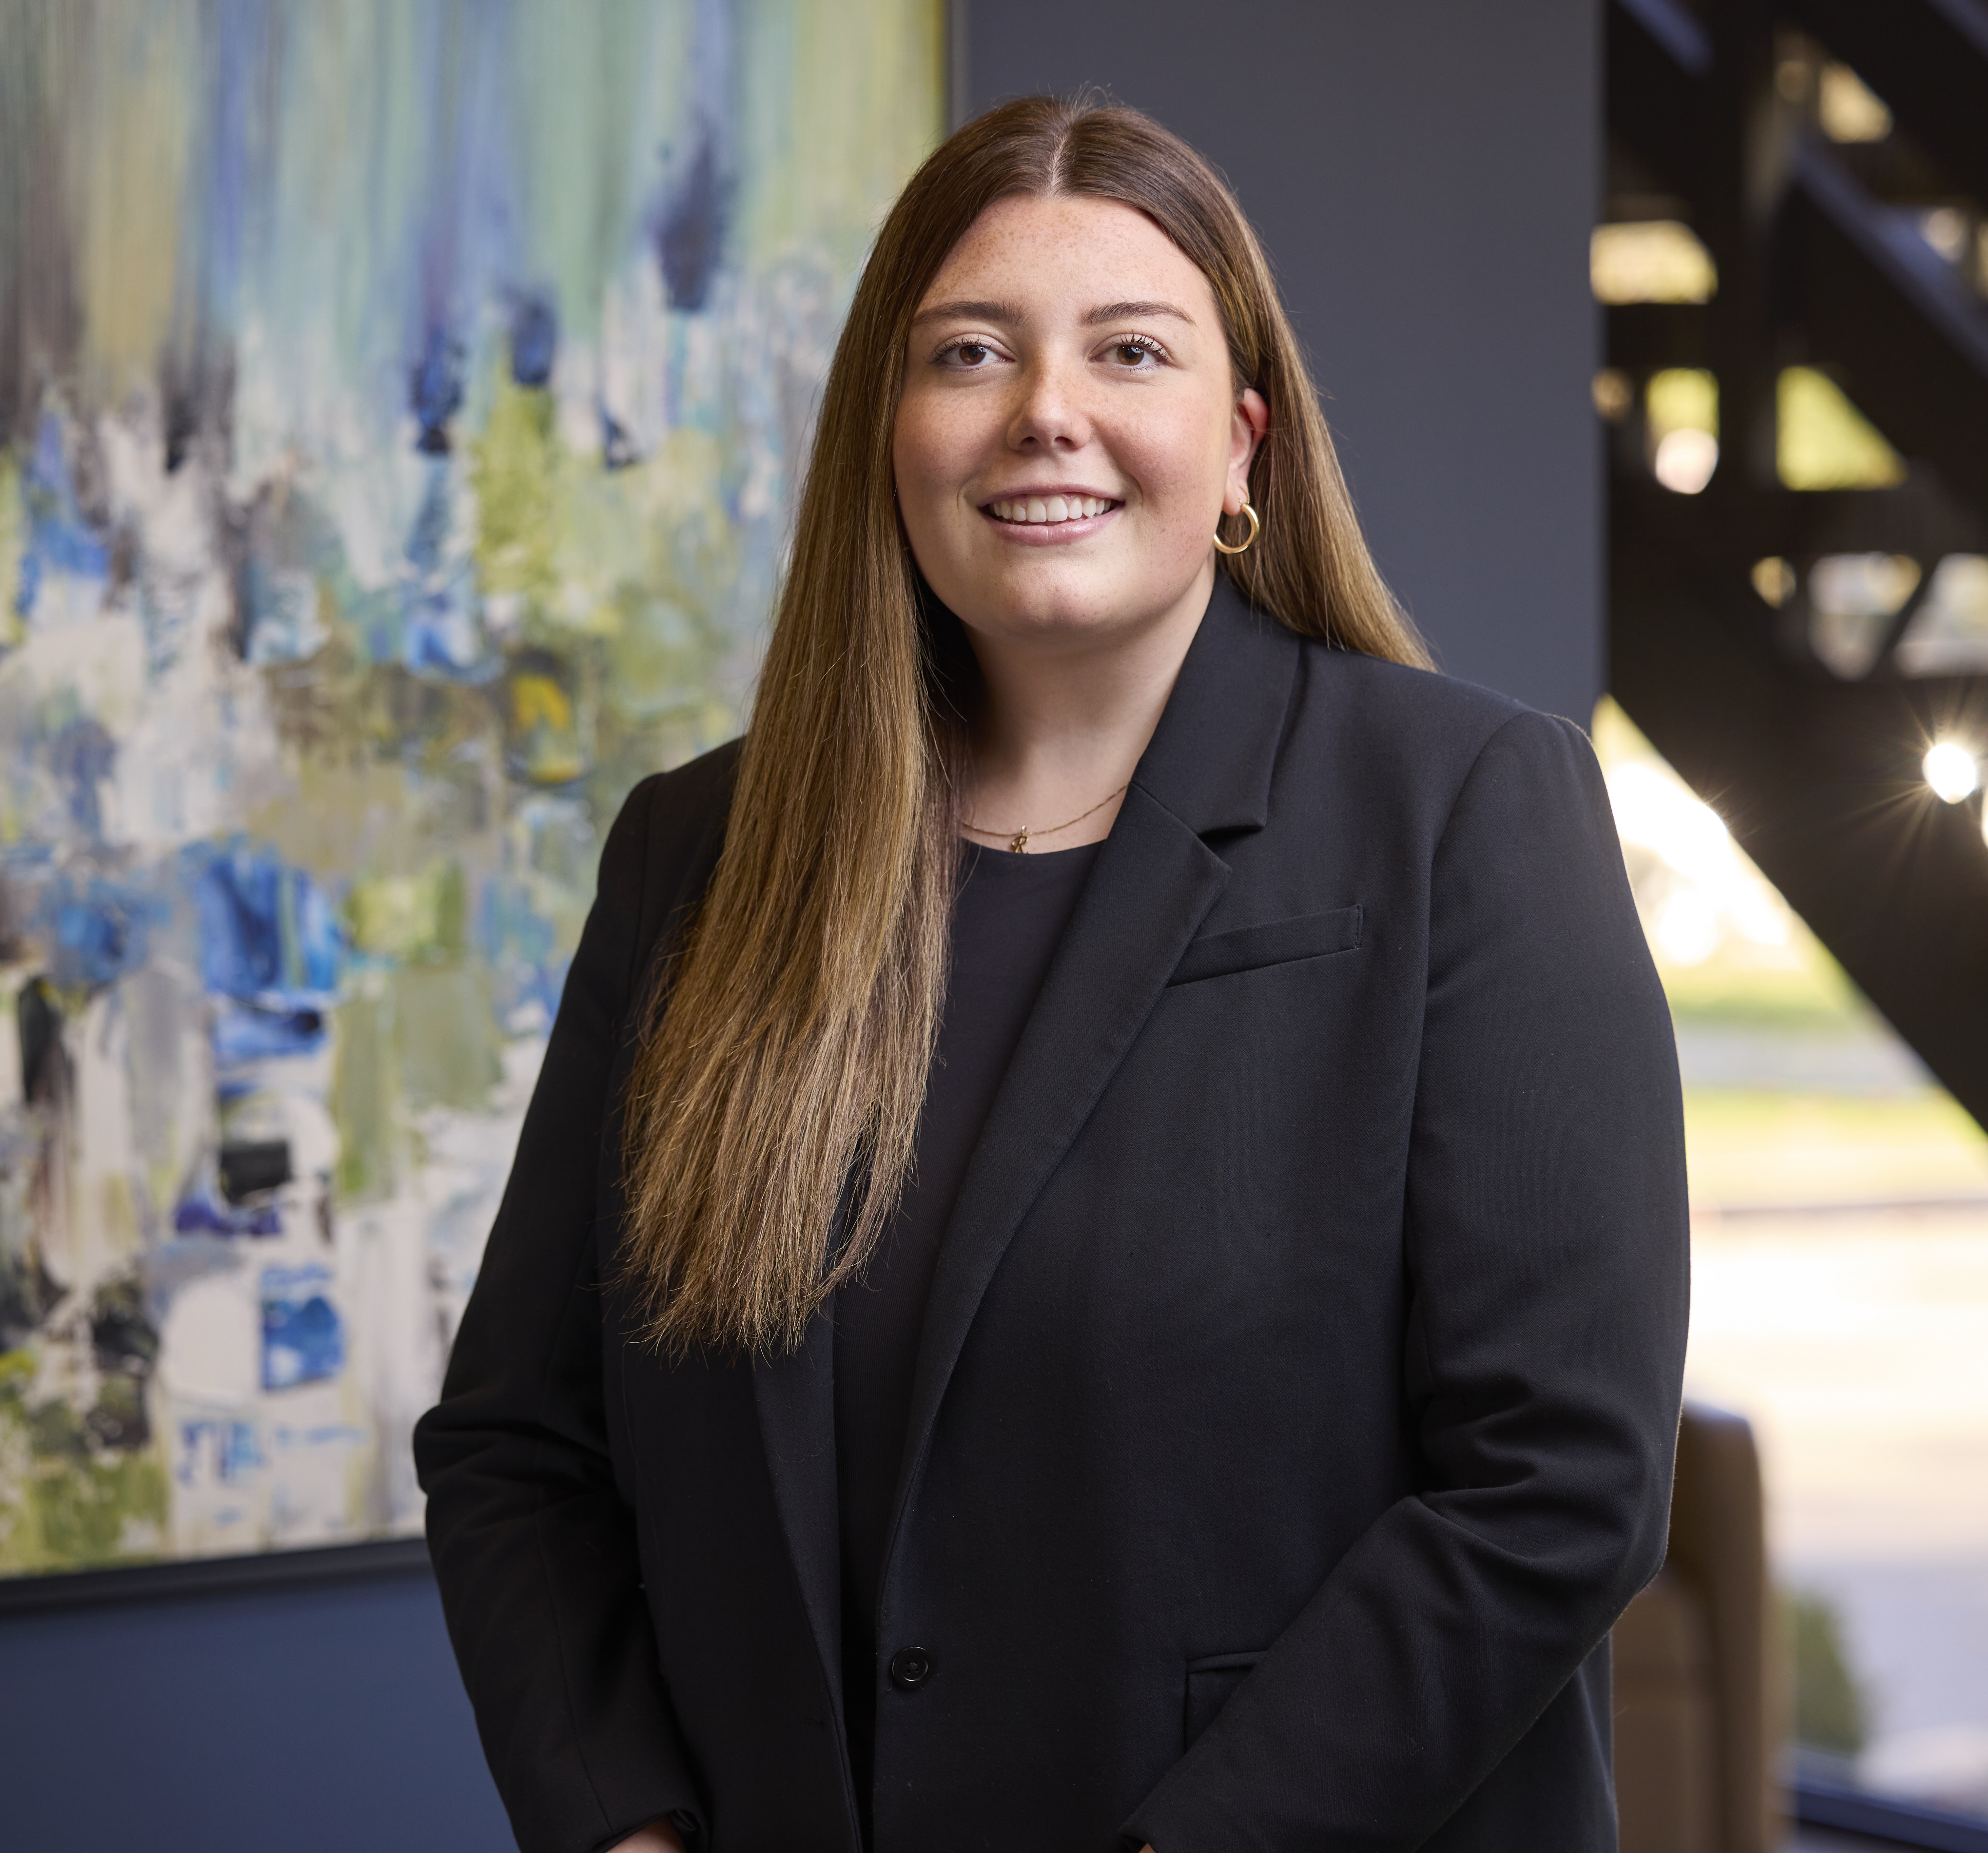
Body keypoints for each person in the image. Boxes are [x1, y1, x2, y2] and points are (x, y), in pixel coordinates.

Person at [414, 95, 1688, 1853]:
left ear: (1242, 447)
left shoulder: (1467, 809)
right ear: (892, 435)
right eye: (971, 352)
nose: (1047, 412)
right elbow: (516, 1447)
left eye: (1130, 349)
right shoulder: (694, 857)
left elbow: (1561, 1487)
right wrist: (625, 1829)